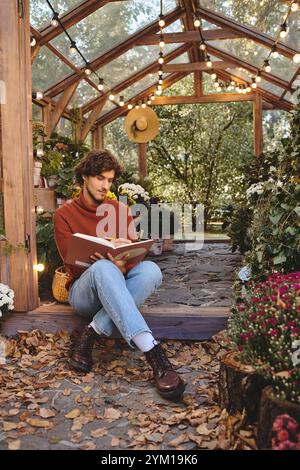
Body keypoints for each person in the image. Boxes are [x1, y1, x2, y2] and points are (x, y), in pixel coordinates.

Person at [53, 149, 185, 400]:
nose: (105, 185)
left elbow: (133, 261)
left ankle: (91, 332)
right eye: (100, 178)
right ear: (84, 177)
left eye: (110, 180)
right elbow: (71, 264)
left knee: (151, 271)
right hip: (83, 292)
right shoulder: (64, 215)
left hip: (118, 282)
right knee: (102, 268)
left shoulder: (120, 210)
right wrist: (103, 263)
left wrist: (123, 261)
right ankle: (154, 354)